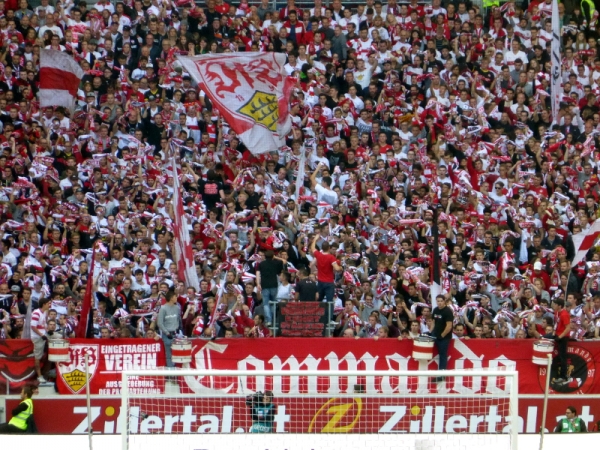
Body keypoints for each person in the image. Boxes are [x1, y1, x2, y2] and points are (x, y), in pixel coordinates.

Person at [309, 235, 342, 304]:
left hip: (320, 282)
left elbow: (312, 248)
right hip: (329, 283)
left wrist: (315, 239)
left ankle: (317, 311)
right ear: (329, 248)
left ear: (322, 248)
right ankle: (329, 311)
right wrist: (340, 267)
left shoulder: (318, 255)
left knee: (319, 301)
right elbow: (336, 268)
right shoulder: (331, 257)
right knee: (329, 302)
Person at [256, 250, 284, 326]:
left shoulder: (261, 264)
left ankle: (269, 320)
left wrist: (258, 284)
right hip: (274, 285)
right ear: (273, 256)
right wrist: (276, 257)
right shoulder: (276, 263)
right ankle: (273, 319)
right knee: (274, 303)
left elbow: (258, 274)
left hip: (264, 286)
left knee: (266, 304)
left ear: (265, 256)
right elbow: (283, 262)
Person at [431, 295, 453, 382]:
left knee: (442, 356)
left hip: (444, 338)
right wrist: (431, 332)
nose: (439, 303)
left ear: (444, 301)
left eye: (441, 301)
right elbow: (433, 322)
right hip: (435, 335)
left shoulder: (447, 311)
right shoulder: (435, 310)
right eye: (438, 301)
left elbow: (449, 326)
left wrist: (442, 335)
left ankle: (441, 375)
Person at [157, 291, 182, 368]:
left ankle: (177, 369)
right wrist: (167, 333)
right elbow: (160, 323)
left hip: (176, 333)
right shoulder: (163, 309)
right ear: (171, 298)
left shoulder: (177, 308)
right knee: (169, 353)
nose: (176, 298)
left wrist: (178, 329)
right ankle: (170, 370)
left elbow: (178, 319)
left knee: (178, 353)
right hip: (167, 334)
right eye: (175, 296)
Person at [30, 298, 51, 384]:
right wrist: (41, 335)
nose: (49, 305)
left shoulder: (44, 313)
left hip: (43, 335)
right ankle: (39, 376)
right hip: (37, 337)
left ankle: (46, 373)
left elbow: (43, 324)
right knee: (37, 357)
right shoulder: (36, 313)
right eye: (48, 303)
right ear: (44, 304)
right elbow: (33, 327)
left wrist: (47, 331)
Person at [552, 298, 571, 384]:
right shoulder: (557, 312)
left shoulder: (564, 314)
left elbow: (568, 328)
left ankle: (563, 376)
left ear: (559, 306)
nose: (553, 305)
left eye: (555, 304)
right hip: (558, 334)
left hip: (563, 337)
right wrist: (554, 333)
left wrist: (560, 337)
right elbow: (557, 324)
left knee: (563, 357)